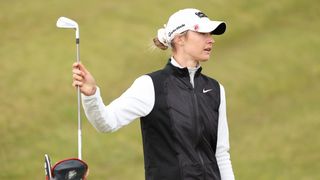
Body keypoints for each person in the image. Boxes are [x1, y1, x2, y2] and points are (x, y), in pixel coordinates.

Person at [72, 8, 235, 180]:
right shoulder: (150, 85)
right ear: (180, 38)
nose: (211, 40)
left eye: (210, 34)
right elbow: (106, 123)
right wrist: (91, 94)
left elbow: (221, 154)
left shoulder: (216, 90)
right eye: (203, 33)